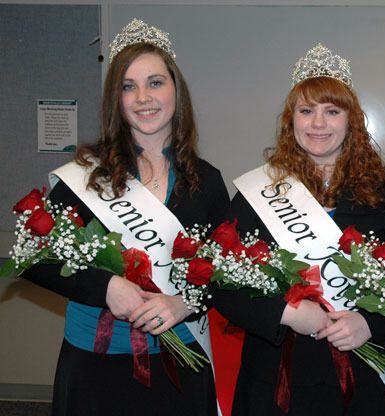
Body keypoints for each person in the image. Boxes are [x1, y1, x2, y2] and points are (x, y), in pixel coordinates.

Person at [21, 19, 229, 415]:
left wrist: (184, 304)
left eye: (155, 82)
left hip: (182, 359)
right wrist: (106, 286)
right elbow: (34, 257)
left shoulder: (206, 181)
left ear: (175, 92)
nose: (142, 98)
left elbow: (228, 271)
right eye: (128, 86)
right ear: (115, 99)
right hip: (95, 361)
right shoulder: (86, 174)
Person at [212, 43, 385, 415]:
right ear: (291, 120)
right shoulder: (258, 192)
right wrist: (282, 312)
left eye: (332, 111)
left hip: (359, 379)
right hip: (273, 379)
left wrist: (371, 324)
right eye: (306, 110)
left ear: (351, 120)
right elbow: (221, 283)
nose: (318, 123)